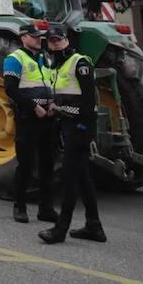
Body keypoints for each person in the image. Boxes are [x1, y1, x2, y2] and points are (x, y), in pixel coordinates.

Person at [40, 25, 105, 244]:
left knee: (69, 177)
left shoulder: (80, 63)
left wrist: (63, 111)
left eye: (58, 40)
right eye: (51, 41)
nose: (55, 44)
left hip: (80, 126)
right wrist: (56, 106)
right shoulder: (59, 65)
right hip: (70, 125)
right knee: (83, 176)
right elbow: (65, 95)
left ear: (67, 40)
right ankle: (94, 226)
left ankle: (60, 229)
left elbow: (87, 103)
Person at [3, 23, 57, 224]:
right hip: (28, 117)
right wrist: (34, 107)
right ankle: (20, 206)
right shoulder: (14, 59)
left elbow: (50, 83)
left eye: (39, 36)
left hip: (47, 116)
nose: (38, 39)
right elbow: (10, 89)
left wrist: (52, 102)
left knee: (47, 164)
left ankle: (46, 208)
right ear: (23, 37)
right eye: (34, 36)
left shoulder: (44, 58)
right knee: (25, 164)